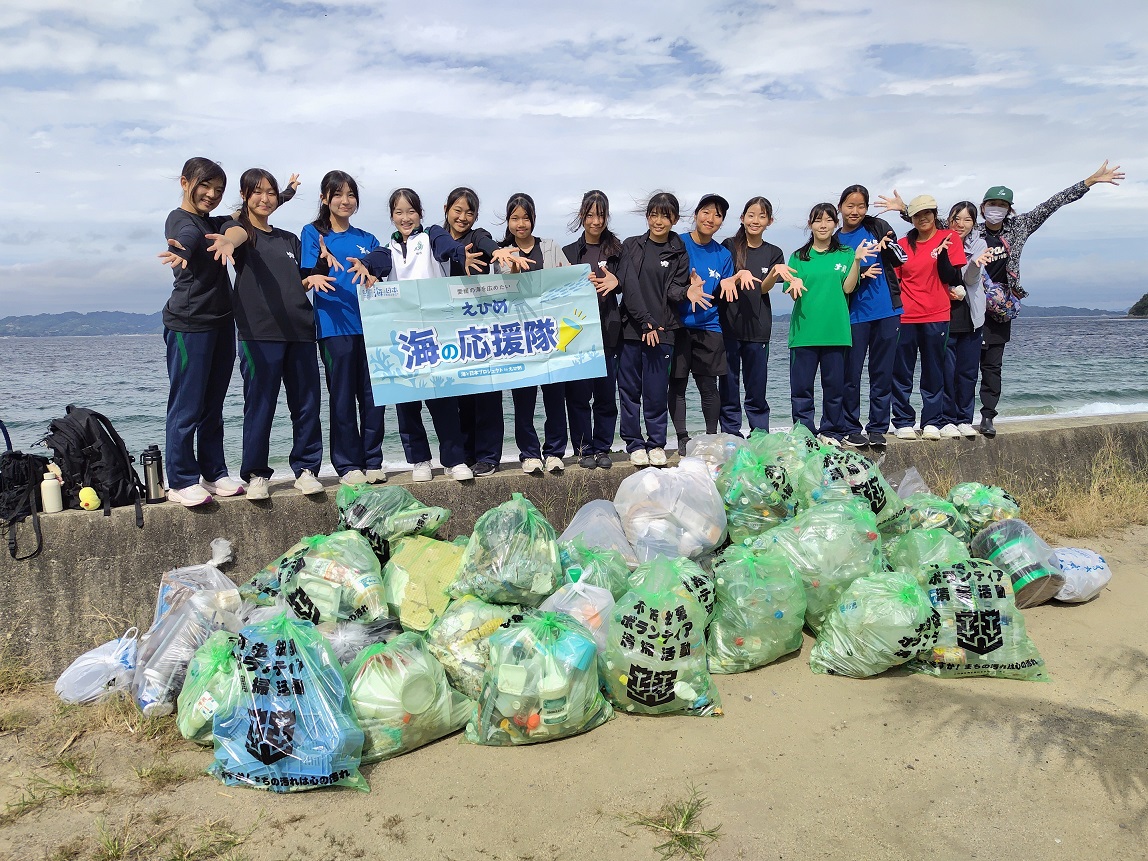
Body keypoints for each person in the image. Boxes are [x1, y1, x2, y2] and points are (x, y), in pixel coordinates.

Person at [877, 160, 1124, 436]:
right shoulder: (971, 229)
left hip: (999, 308)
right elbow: (930, 223)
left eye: (1003, 205)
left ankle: (986, 417)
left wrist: (1088, 182)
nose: (996, 209)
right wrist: (903, 209)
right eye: (991, 204)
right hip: (959, 307)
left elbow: (1052, 204)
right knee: (949, 367)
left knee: (990, 366)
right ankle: (947, 419)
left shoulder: (1019, 227)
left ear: (1010, 209)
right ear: (983, 208)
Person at [157, 158, 288, 506]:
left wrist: (285, 193)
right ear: (186, 182)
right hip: (188, 323)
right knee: (187, 404)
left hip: (220, 322)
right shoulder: (182, 220)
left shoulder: (210, 221)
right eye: (205, 186)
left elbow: (240, 221)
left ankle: (213, 472)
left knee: (212, 405)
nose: (212, 195)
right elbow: (184, 236)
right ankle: (181, 479)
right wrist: (179, 249)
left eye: (218, 190)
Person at [206, 169, 328, 500]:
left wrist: (316, 274)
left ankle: (306, 469)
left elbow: (302, 277)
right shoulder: (241, 232)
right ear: (244, 196)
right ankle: (257, 473)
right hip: (258, 334)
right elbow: (234, 234)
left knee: (306, 405)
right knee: (260, 405)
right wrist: (229, 240)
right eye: (257, 192)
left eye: (270, 193)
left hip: (301, 331)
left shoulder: (290, 238)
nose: (265, 198)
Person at [348, 188, 484, 482]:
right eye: (399, 212)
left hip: (437, 334)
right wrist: (366, 267)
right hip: (404, 337)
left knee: (443, 399)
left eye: (411, 211)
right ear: (392, 217)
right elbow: (377, 262)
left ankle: (453, 459)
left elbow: (447, 246)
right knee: (407, 402)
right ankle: (419, 459)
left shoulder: (432, 236)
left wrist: (461, 253)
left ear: (420, 214)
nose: (405, 218)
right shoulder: (390, 248)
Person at [299, 171, 386, 486]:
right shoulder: (313, 233)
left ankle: (373, 460)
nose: (345, 200)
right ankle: (348, 464)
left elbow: (383, 260)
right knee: (343, 397)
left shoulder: (367, 239)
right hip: (335, 327)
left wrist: (374, 271)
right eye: (338, 194)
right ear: (325, 198)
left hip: (372, 327)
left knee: (374, 397)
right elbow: (307, 275)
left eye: (351, 195)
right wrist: (323, 263)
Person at [613, 192, 709, 466]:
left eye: (665, 216)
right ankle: (634, 443)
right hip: (633, 329)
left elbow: (673, 290)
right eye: (653, 215)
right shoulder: (631, 246)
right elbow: (628, 287)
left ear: (674, 219)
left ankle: (656, 443)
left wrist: (688, 292)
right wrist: (645, 321)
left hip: (663, 330)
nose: (658, 221)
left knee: (656, 391)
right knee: (629, 391)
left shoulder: (679, 251)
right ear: (647, 217)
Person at [780, 203, 875, 444]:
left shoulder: (845, 253)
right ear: (810, 224)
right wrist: (793, 287)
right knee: (801, 389)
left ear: (835, 224)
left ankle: (831, 430)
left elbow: (848, 288)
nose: (823, 225)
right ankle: (804, 433)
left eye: (828, 220)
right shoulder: (798, 257)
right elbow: (792, 291)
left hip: (836, 332)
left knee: (834, 389)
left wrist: (856, 261)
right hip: (804, 332)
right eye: (817, 220)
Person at [491, 193, 571, 475]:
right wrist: (511, 271)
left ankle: (554, 452)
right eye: (515, 218)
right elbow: (496, 295)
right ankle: (529, 454)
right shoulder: (502, 252)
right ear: (508, 221)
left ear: (534, 218)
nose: (521, 223)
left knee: (554, 398)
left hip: (550, 336)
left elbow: (567, 281)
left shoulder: (550, 247)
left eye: (525, 217)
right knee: (523, 401)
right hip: (519, 338)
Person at [442, 187, 516, 476]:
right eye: (458, 210)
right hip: (449, 332)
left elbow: (486, 241)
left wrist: (496, 250)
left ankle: (488, 456)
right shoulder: (437, 239)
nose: (463, 217)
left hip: (482, 330)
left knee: (487, 394)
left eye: (469, 212)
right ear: (446, 208)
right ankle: (464, 455)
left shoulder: (477, 237)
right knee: (458, 397)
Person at [887, 195, 967, 440]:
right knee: (902, 371)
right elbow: (896, 280)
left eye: (927, 213)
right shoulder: (902, 244)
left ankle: (932, 420)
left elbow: (950, 277)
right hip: (907, 316)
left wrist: (941, 254)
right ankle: (903, 421)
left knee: (934, 369)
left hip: (937, 314)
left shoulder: (949, 238)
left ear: (934, 214)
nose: (923, 218)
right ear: (911, 218)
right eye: (917, 215)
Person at [835, 185, 906, 450]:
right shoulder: (835, 240)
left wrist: (888, 248)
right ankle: (851, 427)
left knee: (882, 372)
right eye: (850, 206)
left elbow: (901, 259)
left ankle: (877, 427)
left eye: (861, 206)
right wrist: (860, 273)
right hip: (853, 315)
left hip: (887, 310)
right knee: (850, 374)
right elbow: (835, 278)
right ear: (841, 207)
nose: (855, 211)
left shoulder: (877, 227)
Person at [670, 194, 742, 454]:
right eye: (706, 212)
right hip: (678, 325)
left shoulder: (723, 254)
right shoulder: (678, 242)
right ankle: (681, 438)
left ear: (722, 222)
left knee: (708, 386)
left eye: (718, 215)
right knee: (677, 384)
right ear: (696, 214)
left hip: (709, 326)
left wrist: (727, 283)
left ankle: (712, 437)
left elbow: (726, 285)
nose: (711, 219)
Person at [562, 190, 623, 469]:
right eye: (590, 214)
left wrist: (617, 282)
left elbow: (629, 283)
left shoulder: (618, 250)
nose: (595, 221)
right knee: (577, 396)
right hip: (576, 334)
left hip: (609, 330)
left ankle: (602, 447)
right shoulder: (569, 253)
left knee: (605, 395)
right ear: (582, 216)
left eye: (600, 214)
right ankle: (584, 449)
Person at [718, 196, 783, 436]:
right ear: (742, 218)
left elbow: (764, 288)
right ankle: (731, 432)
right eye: (751, 215)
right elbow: (723, 281)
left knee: (757, 386)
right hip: (730, 325)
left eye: (762, 216)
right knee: (729, 383)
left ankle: (759, 434)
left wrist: (775, 273)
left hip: (759, 327)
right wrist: (739, 274)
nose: (756, 220)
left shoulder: (773, 252)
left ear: (770, 221)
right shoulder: (729, 246)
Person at [939, 201, 991, 439]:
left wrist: (975, 264)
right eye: (956, 218)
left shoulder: (979, 244)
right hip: (943, 315)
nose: (961, 224)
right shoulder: (941, 240)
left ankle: (964, 418)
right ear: (949, 219)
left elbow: (970, 280)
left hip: (970, 316)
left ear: (973, 223)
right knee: (945, 371)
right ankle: (947, 419)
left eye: (967, 220)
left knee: (968, 372)